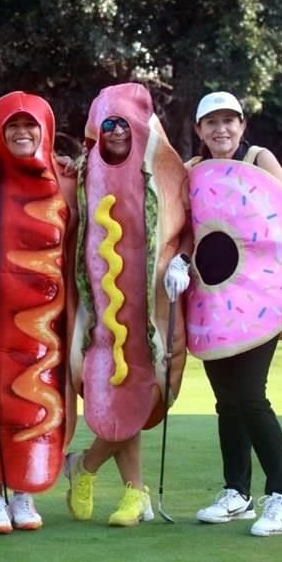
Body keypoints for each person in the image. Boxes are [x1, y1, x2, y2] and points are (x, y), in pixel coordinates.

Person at [189, 91, 282, 536]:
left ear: (242, 125)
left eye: (229, 121)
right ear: (199, 130)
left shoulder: (259, 159)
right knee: (226, 403)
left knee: (250, 397)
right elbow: (178, 228)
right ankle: (237, 492)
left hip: (260, 299)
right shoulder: (193, 172)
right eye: (211, 122)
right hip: (211, 301)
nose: (221, 129)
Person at [63, 83, 191, 527]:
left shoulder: (163, 171)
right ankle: (135, 494)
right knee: (115, 392)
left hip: (152, 312)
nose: (116, 131)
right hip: (98, 313)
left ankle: (86, 465)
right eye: (108, 123)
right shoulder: (79, 174)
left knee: (146, 390)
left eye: (123, 122)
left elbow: (189, 221)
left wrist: (183, 261)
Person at [0, 91, 77, 534]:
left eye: (31, 125)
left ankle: (24, 494)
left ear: (45, 130)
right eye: (12, 126)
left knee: (40, 400)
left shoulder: (65, 180)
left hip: (50, 319)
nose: (22, 133)